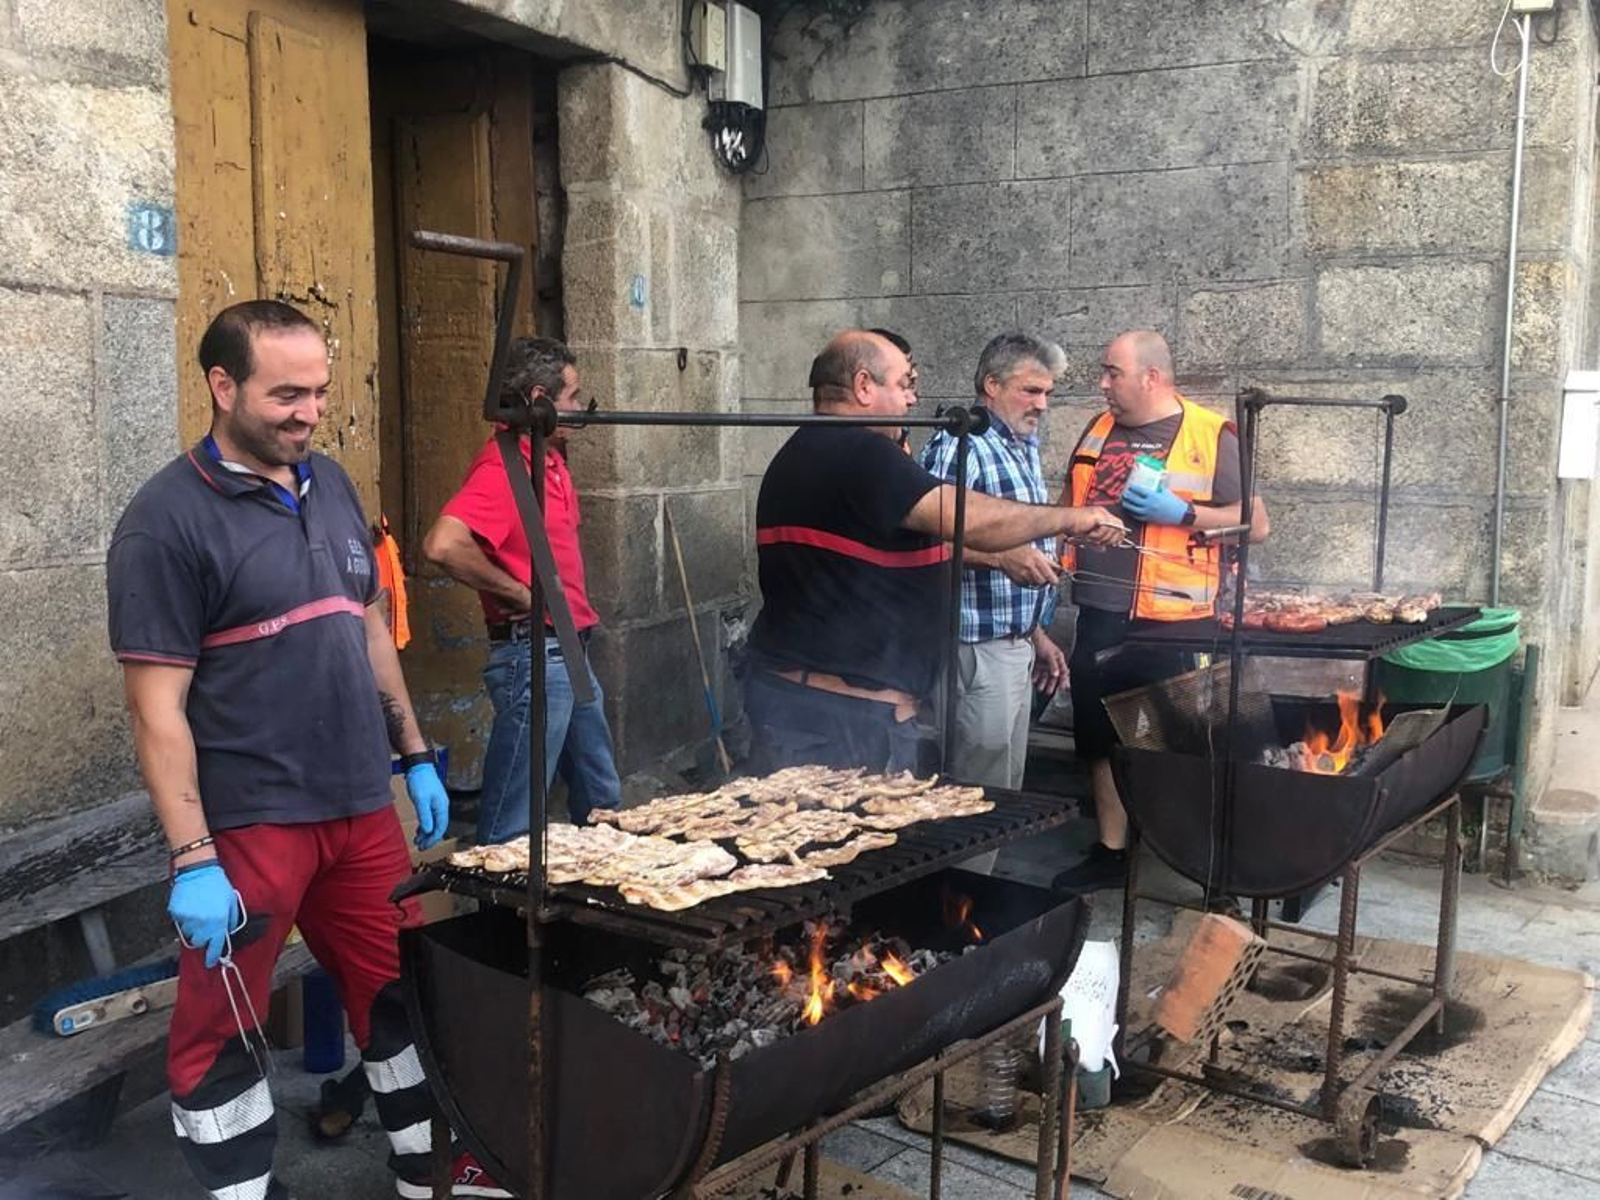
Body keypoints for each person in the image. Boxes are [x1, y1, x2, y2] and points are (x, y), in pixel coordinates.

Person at [107, 300, 508, 1199]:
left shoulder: (327, 481)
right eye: (286, 393)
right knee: (222, 1033)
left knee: (403, 997)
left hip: (361, 809)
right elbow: (155, 710)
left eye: (319, 392)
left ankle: (436, 1178)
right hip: (253, 825)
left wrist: (410, 756)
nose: (309, 412)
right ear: (222, 386)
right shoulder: (163, 523)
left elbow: (366, 628)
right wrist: (192, 859)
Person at [745, 329, 1125, 775]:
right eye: (905, 384)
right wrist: (1071, 518)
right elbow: (967, 518)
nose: (912, 401)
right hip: (843, 721)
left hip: (816, 706)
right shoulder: (861, 451)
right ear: (864, 386)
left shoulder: (805, 451)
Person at [1050, 330, 1270, 895]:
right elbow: (1065, 507)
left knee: (1186, 742)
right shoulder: (1097, 431)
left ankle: (1202, 862)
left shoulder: (1210, 434)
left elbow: (1258, 523)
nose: (1102, 384)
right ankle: (1112, 852)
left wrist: (1184, 512)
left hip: (1177, 618)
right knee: (1100, 738)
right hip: (1100, 610)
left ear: (1151, 376)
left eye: (1112, 372)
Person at [423, 336, 621, 841]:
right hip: (536, 657)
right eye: (573, 395)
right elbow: (443, 545)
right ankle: (501, 912)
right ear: (540, 398)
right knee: (515, 818)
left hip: (569, 650)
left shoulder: (549, 458)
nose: (580, 407)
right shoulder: (502, 470)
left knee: (603, 802)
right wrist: (518, 594)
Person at [921, 333, 1070, 801]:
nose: (1042, 404)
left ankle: (983, 875)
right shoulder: (961, 444)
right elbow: (928, 540)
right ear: (991, 384)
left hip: (1012, 645)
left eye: (1047, 392)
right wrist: (1003, 558)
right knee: (976, 794)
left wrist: (1036, 635)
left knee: (1004, 785)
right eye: (1031, 390)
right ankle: (964, 878)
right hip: (973, 650)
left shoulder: (1020, 443)